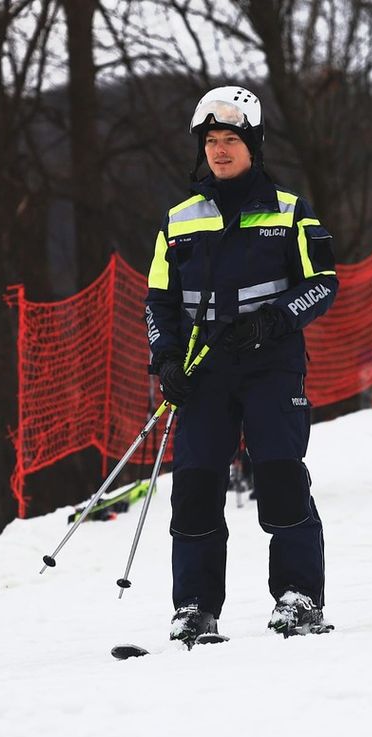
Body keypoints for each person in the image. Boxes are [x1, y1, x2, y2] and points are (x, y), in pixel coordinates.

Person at [144, 85, 338, 643]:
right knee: (197, 488)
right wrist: (166, 359)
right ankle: (196, 608)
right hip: (203, 374)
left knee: (279, 477)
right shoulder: (178, 220)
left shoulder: (289, 211)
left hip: (270, 368)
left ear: (253, 145)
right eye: (211, 140)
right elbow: (157, 300)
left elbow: (322, 283)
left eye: (230, 139)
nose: (220, 150)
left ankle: (299, 599)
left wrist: (277, 319)